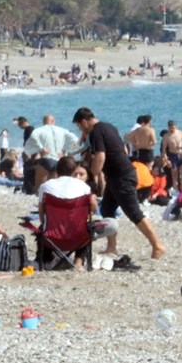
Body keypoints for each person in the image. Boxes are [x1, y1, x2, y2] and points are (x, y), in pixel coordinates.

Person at [73, 107, 166, 259]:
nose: (80, 130)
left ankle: (157, 245)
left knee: (134, 213)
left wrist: (91, 177)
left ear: (84, 122)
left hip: (122, 177)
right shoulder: (109, 126)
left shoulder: (95, 131)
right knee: (107, 209)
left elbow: (100, 157)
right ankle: (111, 247)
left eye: (79, 126)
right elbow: (122, 148)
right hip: (117, 176)